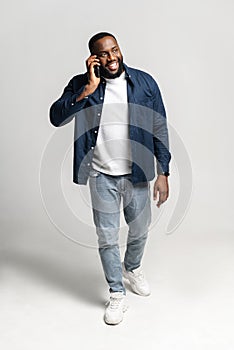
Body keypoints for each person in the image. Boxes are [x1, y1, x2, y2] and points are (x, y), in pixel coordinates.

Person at [49, 32, 171, 325]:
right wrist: (87, 90)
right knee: (106, 235)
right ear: (93, 58)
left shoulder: (145, 83)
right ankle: (117, 292)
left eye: (114, 50)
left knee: (140, 229)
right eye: (103, 53)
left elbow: (160, 126)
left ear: (120, 50)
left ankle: (133, 267)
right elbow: (56, 117)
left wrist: (164, 172)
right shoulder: (82, 84)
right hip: (101, 174)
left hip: (137, 172)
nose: (111, 57)